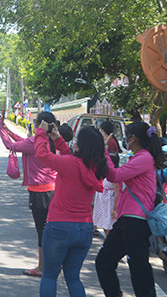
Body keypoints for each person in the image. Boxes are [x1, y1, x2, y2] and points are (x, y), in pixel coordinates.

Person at [35, 123, 106, 297]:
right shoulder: (96, 167)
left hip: (60, 225)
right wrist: (57, 139)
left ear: (81, 145)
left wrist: (41, 133)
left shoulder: (70, 164)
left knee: (50, 276)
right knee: (73, 278)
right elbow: (74, 162)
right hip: (85, 229)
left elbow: (42, 154)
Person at [96, 122, 163, 297]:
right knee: (104, 262)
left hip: (135, 221)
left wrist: (104, 151)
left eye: (126, 134)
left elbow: (115, 176)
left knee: (139, 270)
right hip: (128, 220)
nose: (124, 138)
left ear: (132, 138)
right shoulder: (140, 157)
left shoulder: (144, 158)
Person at [0, 112, 62, 278]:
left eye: (35, 122)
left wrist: (0, 126)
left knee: (42, 230)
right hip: (54, 189)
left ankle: (42, 267)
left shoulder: (35, 142)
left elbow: (10, 145)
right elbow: (22, 141)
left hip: (39, 192)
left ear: (40, 124)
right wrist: (8, 129)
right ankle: (57, 261)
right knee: (52, 229)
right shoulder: (52, 140)